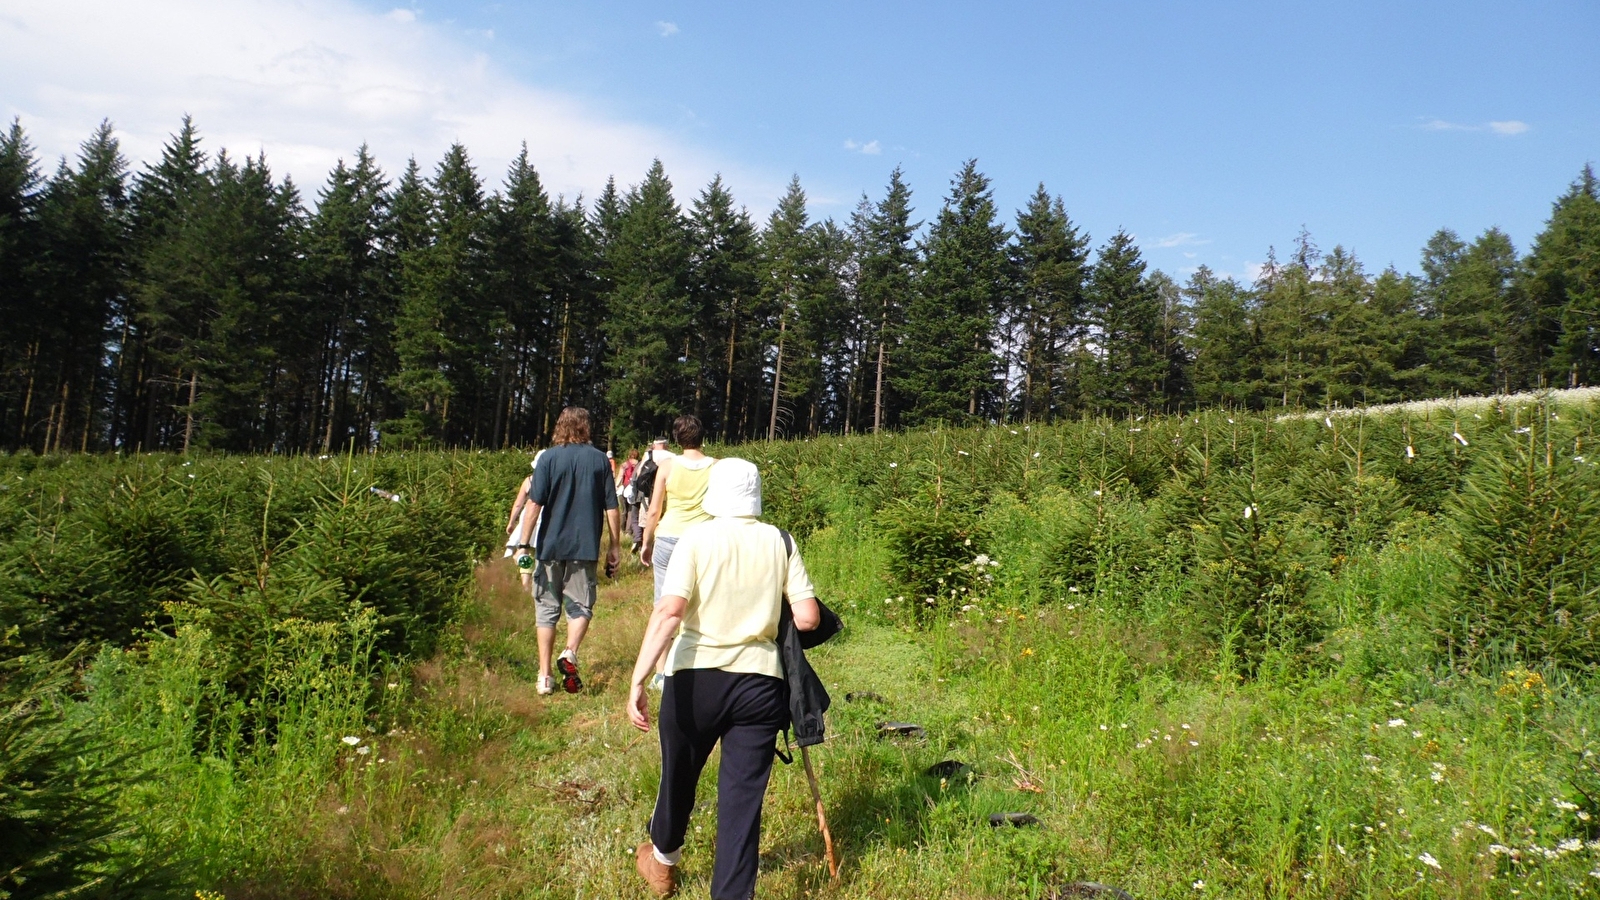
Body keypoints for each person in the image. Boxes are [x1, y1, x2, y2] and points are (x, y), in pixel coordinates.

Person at [627, 458, 821, 900]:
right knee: (742, 803)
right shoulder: (780, 540)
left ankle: (663, 863)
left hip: (696, 681)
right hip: (760, 684)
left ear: (714, 494)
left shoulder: (695, 539)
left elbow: (670, 611)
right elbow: (808, 618)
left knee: (678, 775)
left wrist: (639, 679)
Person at [517, 407, 622, 695]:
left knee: (546, 609)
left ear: (560, 427)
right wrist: (614, 546)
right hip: (584, 546)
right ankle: (570, 651)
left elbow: (533, 504)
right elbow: (612, 507)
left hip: (550, 546)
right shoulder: (600, 460)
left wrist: (524, 544)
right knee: (581, 606)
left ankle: (544, 676)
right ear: (586, 427)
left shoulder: (548, 458)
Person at [502, 452, 546, 590]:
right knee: (542, 551)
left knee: (525, 550)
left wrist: (511, 522)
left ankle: (526, 584)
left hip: (529, 517)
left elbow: (518, 504)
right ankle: (541, 581)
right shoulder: (555, 481)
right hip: (547, 518)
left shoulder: (529, 481)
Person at [628, 437, 672, 547]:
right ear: (666, 445)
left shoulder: (649, 455)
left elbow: (639, 474)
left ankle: (646, 546)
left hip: (648, 494)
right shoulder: (673, 456)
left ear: (654, 445)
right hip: (667, 495)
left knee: (646, 522)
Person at [619, 449, 642, 550]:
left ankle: (622, 530)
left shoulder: (624, 465)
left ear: (629, 455)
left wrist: (616, 486)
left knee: (624, 510)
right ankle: (629, 531)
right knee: (631, 511)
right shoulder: (640, 464)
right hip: (634, 489)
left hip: (625, 488)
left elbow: (620, 476)